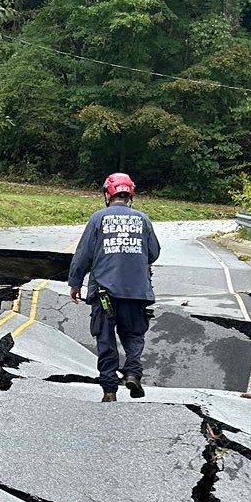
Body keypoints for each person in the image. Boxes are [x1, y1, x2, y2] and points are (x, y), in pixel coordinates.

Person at [67, 171, 162, 401]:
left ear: (107, 194)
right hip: (137, 292)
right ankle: (132, 372)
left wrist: (75, 282)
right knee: (133, 335)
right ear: (130, 194)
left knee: (105, 338)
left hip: (104, 292)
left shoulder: (98, 219)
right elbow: (153, 253)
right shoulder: (143, 220)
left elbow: (83, 255)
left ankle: (109, 390)